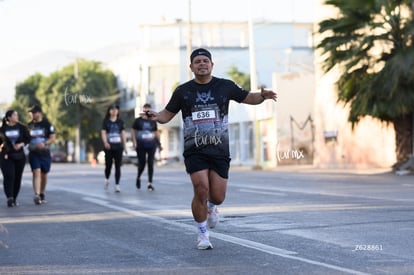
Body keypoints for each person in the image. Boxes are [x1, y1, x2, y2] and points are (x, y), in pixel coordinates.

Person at [146, 48, 277, 249]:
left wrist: (262, 96)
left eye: (205, 60)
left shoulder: (224, 86)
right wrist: (156, 116)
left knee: (217, 196)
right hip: (194, 149)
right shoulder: (183, 91)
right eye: (197, 61)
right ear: (191, 67)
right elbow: (167, 114)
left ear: (212, 65)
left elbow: (247, 97)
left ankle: (212, 206)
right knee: (200, 189)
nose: (202, 64)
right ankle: (202, 234)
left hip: (219, 149)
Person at [0, 110, 31, 207]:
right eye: (15, 115)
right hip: (6, 155)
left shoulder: (22, 128)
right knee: (9, 175)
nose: (17, 116)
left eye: (17, 115)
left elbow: (28, 138)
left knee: (17, 177)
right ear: (9, 117)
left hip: (19, 156)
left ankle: (14, 198)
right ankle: (9, 197)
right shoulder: (2, 129)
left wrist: (21, 144)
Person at [27, 104, 56, 205]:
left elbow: (52, 138)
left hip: (44, 153)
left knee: (44, 174)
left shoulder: (47, 124)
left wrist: (44, 143)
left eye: (33, 113)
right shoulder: (29, 126)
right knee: (36, 172)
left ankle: (42, 193)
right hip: (34, 153)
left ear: (39, 113)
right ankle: (37, 194)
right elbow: (26, 138)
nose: (32, 115)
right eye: (31, 113)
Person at [131, 103, 162, 191]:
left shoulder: (153, 120)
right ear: (143, 109)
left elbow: (156, 132)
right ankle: (138, 177)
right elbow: (133, 131)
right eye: (145, 109)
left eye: (149, 109)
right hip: (140, 144)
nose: (147, 111)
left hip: (151, 144)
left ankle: (150, 183)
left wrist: (159, 144)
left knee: (150, 163)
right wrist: (134, 142)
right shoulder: (138, 121)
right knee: (142, 163)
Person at [101, 104, 127, 192]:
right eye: (112, 109)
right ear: (109, 111)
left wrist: (125, 146)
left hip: (118, 146)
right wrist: (105, 142)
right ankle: (107, 178)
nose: (114, 111)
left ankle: (117, 185)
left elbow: (123, 134)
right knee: (108, 165)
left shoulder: (120, 122)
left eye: (116, 109)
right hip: (109, 146)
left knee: (118, 166)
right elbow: (103, 133)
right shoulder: (106, 121)